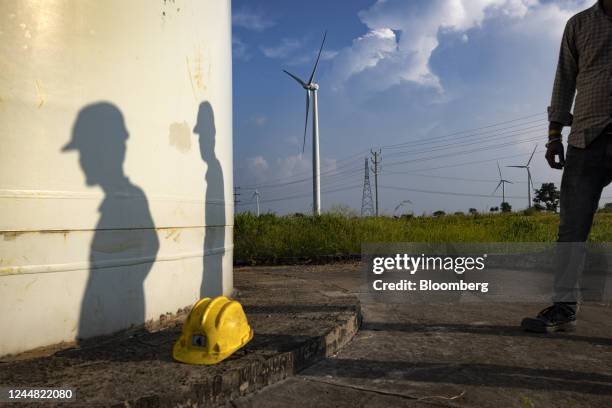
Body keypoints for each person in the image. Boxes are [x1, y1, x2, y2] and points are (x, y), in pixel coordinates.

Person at [521, 0, 612, 333]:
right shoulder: (578, 24)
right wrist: (553, 135)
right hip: (585, 139)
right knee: (571, 231)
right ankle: (564, 309)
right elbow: (564, 80)